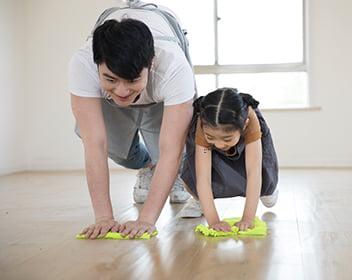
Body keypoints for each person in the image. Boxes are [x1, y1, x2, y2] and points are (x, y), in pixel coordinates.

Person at [68, 2, 195, 239]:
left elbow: (171, 152)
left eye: (133, 80)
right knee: (119, 151)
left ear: (151, 64)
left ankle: (175, 178)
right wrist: (104, 218)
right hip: (117, 75)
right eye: (111, 79)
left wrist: (146, 219)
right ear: (97, 65)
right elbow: (95, 144)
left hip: (164, 53)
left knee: (177, 154)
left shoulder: (174, 68)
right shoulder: (83, 64)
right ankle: (148, 167)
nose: (122, 91)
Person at [180, 88, 279, 232]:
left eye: (226, 138)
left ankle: (267, 190)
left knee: (265, 183)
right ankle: (201, 200)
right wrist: (214, 221)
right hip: (208, 152)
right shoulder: (203, 124)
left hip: (247, 152)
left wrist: (247, 219)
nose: (219, 145)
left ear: (244, 125)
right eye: (211, 137)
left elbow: (254, 171)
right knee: (195, 178)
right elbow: (203, 177)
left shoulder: (250, 120)